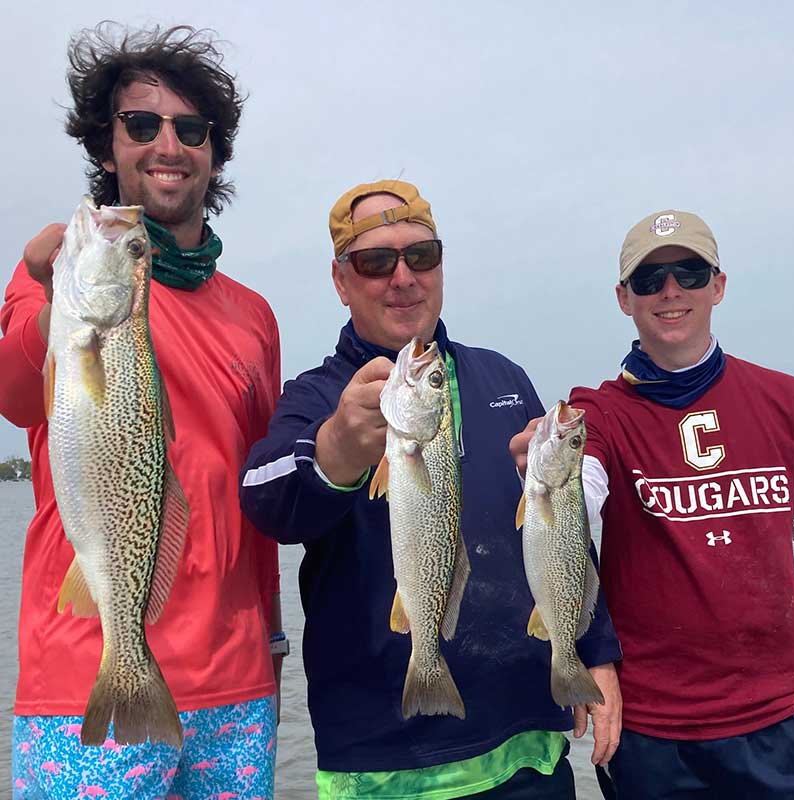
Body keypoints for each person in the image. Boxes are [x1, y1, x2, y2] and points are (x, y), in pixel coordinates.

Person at [240, 179, 622, 799]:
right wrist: (335, 448)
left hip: (527, 750)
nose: (403, 278)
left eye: (421, 256)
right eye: (375, 261)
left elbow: (562, 528)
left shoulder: (503, 378)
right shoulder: (316, 397)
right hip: (383, 762)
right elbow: (264, 500)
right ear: (341, 281)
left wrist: (594, 649)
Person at [1, 24, 284, 800]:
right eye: (141, 123)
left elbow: (256, 492)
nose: (168, 144)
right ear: (107, 146)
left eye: (191, 129)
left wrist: (272, 632)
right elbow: (16, 394)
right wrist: (50, 300)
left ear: (213, 154)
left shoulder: (254, 317)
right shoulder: (54, 281)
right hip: (84, 675)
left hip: (235, 684)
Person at [513, 209, 794, 799]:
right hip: (650, 729)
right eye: (649, 280)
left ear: (718, 286)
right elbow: (580, 494)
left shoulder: (785, 400)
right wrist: (545, 473)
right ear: (625, 298)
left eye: (689, 273)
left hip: (780, 718)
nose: (670, 291)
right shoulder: (595, 415)